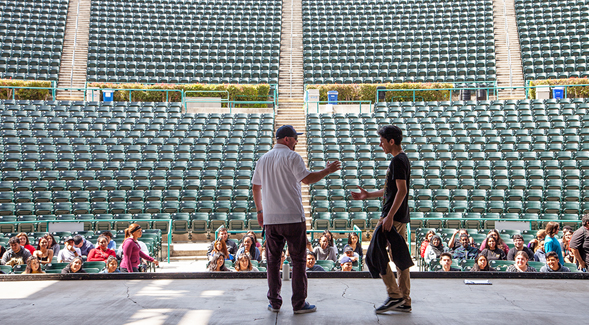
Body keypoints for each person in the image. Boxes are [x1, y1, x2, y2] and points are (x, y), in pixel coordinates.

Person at [252, 124, 340, 314]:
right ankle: (298, 304)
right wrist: (327, 171)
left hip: (271, 219)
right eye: (295, 138)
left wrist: (260, 212)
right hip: (292, 218)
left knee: (272, 262)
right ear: (286, 139)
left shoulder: (263, 159)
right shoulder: (292, 157)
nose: (297, 142)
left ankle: (274, 303)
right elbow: (307, 179)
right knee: (299, 261)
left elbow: (255, 187)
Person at [352, 125, 414, 314]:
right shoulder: (402, 159)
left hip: (392, 217)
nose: (380, 144)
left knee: (374, 254)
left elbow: (402, 191)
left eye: (382, 141)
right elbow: (392, 191)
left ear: (391, 141)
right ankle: (404, 300)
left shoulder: (397, 161)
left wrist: (389, 216)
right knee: (399, 257)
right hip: (399, 216)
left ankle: (394, 295)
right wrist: (368, 195)